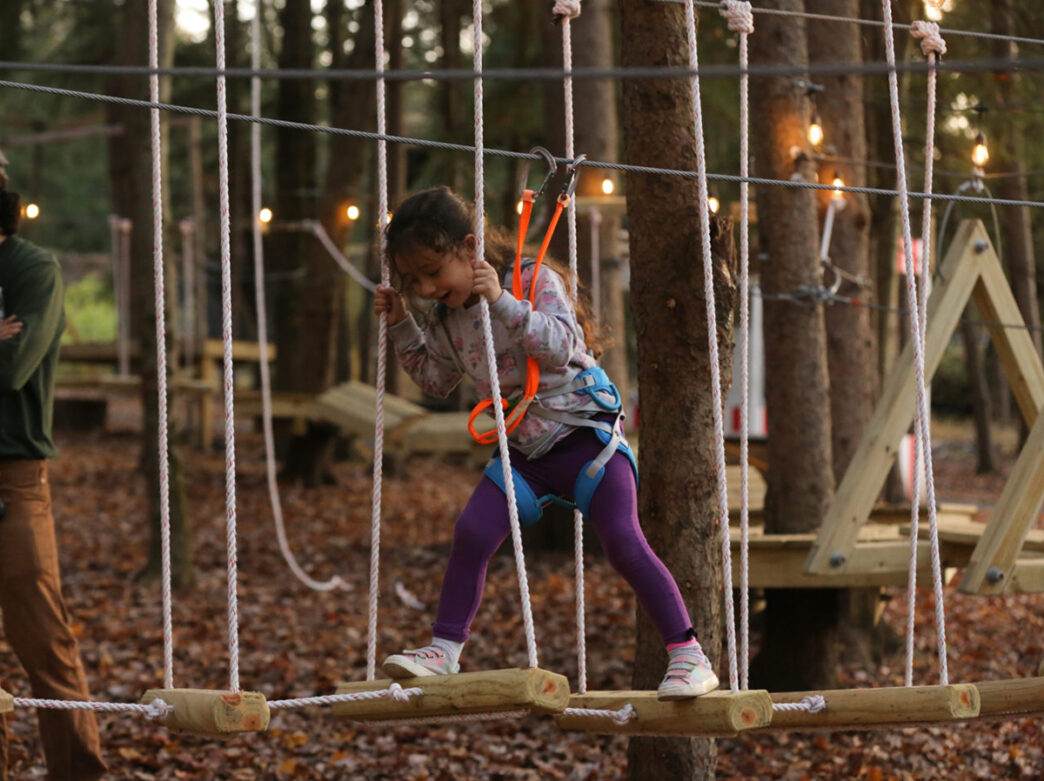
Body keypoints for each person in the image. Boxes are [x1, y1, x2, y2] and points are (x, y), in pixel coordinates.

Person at [373, 186, 719, 700]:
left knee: (623, 542)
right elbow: (436, 380)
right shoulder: (446, 321)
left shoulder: (533, 280)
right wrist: (402, 325)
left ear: (469, 249)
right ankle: (443, 650)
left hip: (586, 438)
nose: (426, 287)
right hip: (526, 454)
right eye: (414, 280)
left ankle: (689, 654)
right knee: (471, 531)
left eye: (432, 271)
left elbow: (561, 346)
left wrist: (502, 302)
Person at [0, 178, 107, 779]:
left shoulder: (32, 267)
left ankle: (79, 772)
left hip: (13, 478)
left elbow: (13, 366)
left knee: (44, 640)